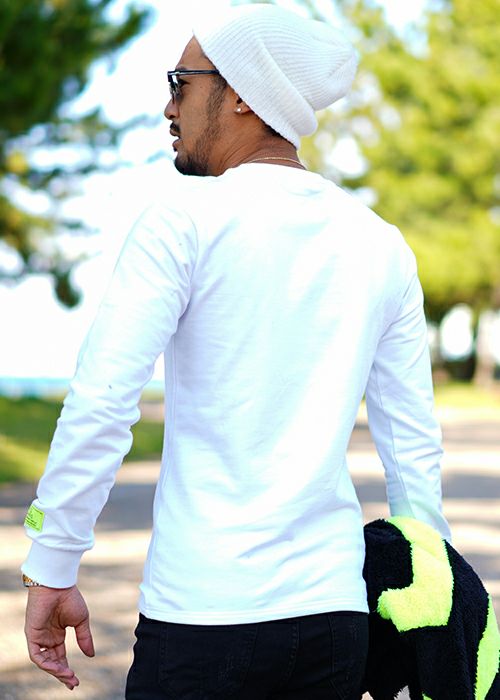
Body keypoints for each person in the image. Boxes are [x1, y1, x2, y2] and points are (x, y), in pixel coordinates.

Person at [22, 5, 452, 699]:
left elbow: (103, 400)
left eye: (181, 83)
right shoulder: (380, 244)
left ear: (245, 93)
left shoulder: (183, 221)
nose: (169, 107)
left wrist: (52, 562)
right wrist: (431, 588)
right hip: (335, 619)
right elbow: (411, 441)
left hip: (203, 618)